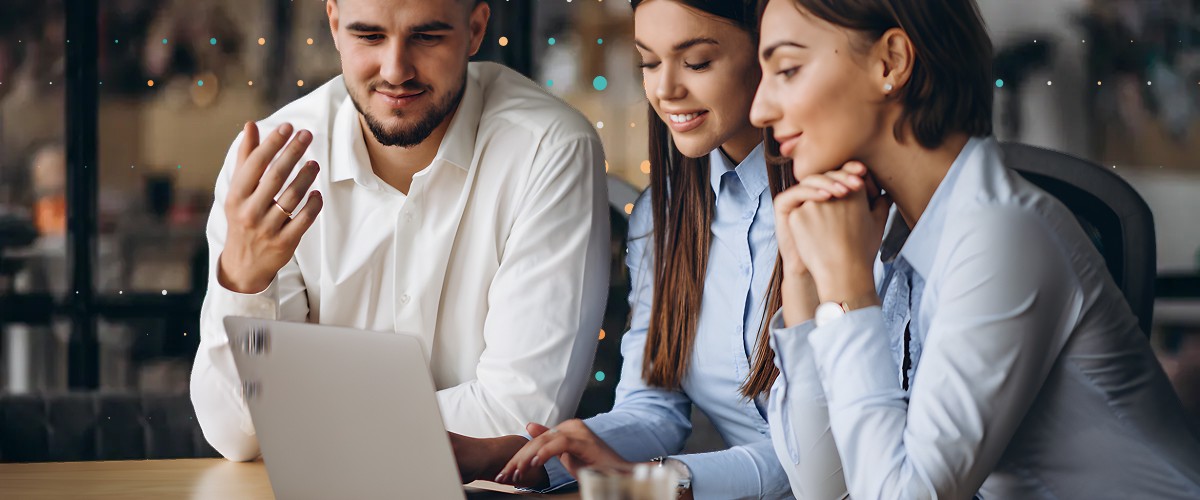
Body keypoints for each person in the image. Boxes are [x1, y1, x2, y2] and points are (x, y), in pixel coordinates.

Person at [750, 0, 1200, 498]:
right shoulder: (887, 231)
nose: (760, 109)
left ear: (891, 61)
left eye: (787, 70)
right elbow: (823, 486)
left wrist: (846, 291)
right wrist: (804, 281)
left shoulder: (1002, 233)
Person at [191, 0, 610, 470]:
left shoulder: (547, 149)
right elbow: (237, 434)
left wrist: (297, 422)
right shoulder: (268, 165)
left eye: (427, 37)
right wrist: (245, 283)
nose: (395, 71)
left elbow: (517, 418)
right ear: (334, 25)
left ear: (475, 29)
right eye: (369, 36)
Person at [462, 1, 841, 498]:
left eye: (697, 62)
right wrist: (520, 456)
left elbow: (827, 459)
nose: (666, 89)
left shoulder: (842, 209)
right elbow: (652, 409)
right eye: (649, 62)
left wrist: (662, 482)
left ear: (769, 53)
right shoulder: (663, 218)